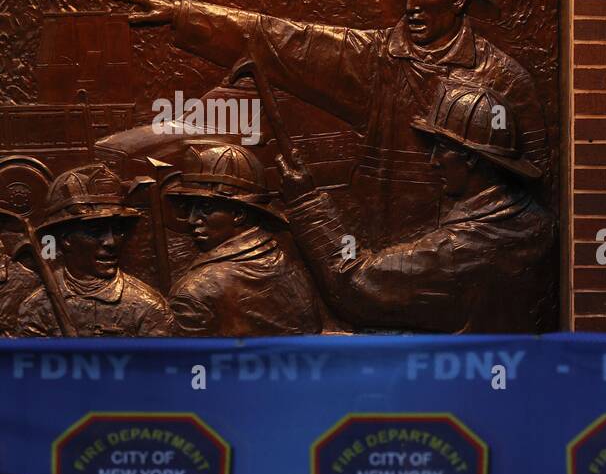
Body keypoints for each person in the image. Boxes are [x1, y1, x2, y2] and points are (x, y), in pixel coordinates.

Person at [111, 0, 550, 246]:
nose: (411, 5)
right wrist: (183, 14)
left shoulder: (503, 78)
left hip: (469, 254)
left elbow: (536, 180)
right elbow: (281, 38)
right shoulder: (377, 58)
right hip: (383, 241)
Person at [276, 81, 556, 333]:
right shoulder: (539, 224)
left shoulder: (460, 247)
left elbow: (354, 282)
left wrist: (306, 201)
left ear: (471, 159)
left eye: (441, 149)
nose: (433, 161)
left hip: (464, 384)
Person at [164, 142, 322, 336]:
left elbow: (185, 362)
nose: (192, 220)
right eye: (189, 208)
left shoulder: (195, 292)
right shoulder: (286, 262)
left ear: (239, 214)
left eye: (205, 208)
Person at [17, 164, 173, 336]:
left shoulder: (148, 308)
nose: (111, 242)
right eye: (96, 231)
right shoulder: (37, 308)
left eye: (117, 230)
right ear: (65, 239)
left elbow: (160, 362)